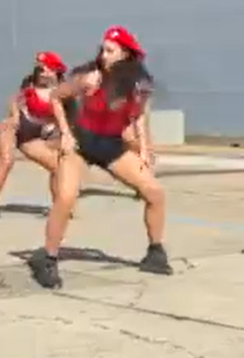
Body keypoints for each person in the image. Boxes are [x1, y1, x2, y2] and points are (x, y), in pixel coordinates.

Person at [29, 25, 171, 289]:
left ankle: (155, 251)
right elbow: (56, 98)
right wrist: (66, 133)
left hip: (112, 145)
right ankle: (47, 259)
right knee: (66, 197)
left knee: (154, 192)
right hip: (81, 143)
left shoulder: (139, 84)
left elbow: (139, 116)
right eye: (103, 50)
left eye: (110, 50)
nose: (103, 55)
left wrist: (143, 149)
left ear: (125, 54)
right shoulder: (89, 77)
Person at [0, 51, 67, 228]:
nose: (42, 73)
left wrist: (56, 129)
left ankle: (58, 205)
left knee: (57, 166)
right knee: (7, 161)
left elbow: (65, 116)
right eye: (40, 69)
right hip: (15, 127)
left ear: (55, 71)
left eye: (46, 70)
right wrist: (13, 116)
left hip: (32, 135)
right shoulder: (29, 83)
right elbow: (14, 99)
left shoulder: (63, 91)